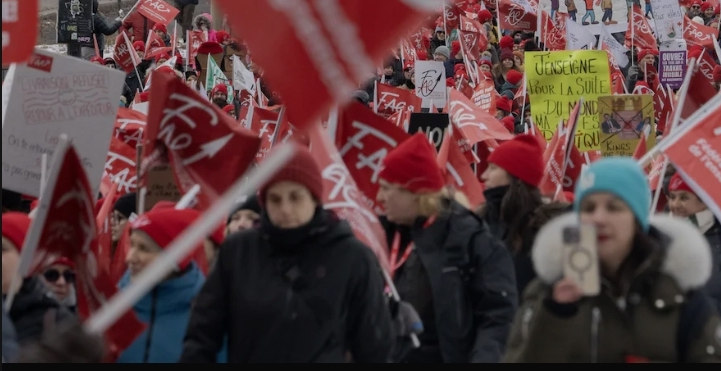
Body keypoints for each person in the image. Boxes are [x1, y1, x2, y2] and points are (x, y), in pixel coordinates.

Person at [504, 158, 721, 363]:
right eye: (589, 208)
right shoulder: (548, 292)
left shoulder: (676, 294)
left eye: (614, 208)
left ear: (637, 220)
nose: (599, 218)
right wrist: (555, 317)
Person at [181, 147, 393, 363]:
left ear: (314, 198)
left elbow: (374, 345)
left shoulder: (353, 257)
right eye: (275, 199)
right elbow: (203, 331)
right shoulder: (238, 252)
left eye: (295, 197)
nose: (285, 209)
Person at [378, 133, 517, 363]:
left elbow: (498, 316)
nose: (379, 197)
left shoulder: (471, 240)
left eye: (387, 188)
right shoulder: (381, 234)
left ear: (416, 193)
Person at [667, 174, 721, 362]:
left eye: (684, 197)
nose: (675, 204)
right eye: (672, 196)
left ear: (705, 201)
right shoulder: (660, 238)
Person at [117, 207, 214, 363]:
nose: (130, 257)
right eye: (132, 244)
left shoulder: (206, 314)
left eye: (143, 248)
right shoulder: (113, 305)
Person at [478, 134, 567, 297]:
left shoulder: (545, 230)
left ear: (515, 175)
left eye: (493, 168)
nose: (484, 176)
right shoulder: (480, 221)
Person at [1, 213, 74, 347]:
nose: (61, 282)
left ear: (26, 259)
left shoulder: (56, 326)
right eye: (52, 275)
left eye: (2, 249)